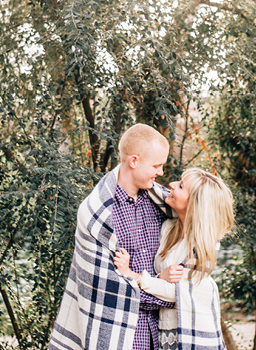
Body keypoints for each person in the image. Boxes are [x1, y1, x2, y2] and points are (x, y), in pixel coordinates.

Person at [48, 124, 182, 350]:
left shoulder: (159, 204)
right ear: (134, 161)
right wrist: (169, 292)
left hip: (162, 335)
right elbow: (111, 291)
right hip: (120, 336)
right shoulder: (97, 214)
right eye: (156, 165)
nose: (161, 173)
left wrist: (171, 288)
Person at [113, 168, 234, 350]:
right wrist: (160, 279)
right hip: (165, 328)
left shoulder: (203, 245)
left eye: (180, 186)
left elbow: (178, 293)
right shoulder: (168, 227)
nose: (171, 185)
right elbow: (171, 285)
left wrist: (132, 275)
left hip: (189, 332)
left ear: (194, 203)